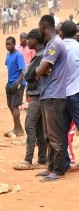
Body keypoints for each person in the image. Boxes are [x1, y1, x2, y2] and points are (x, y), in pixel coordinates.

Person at [35, 15, 68, 182]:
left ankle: (59, 170)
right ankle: (50, 166)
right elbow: (43, 69)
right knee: (48, 134)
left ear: (42, 26)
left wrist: (39, 70)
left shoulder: (55, 44)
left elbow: (40, 70)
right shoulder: (51, 43)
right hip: (48, 93)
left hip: (54, 94)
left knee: (55, 135)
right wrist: (42, 69)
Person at [13, 29, 47, 170]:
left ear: (34, 40)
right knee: (39, 128)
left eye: (29, 39)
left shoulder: (39, 55)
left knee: (30, 125)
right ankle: (42, 160)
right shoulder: (41, 54)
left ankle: (28, 159)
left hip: (37, 95)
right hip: (39, 95)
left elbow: (27, 75)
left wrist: (28, 72)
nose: (27, 42)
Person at [58, 20, 79, 173]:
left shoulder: (58, 47)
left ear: (62, 33)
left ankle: (64, 163)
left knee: (62, 130)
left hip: (60, 95)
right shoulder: (78, 48)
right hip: (76, 93)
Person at [4, 36, 26, 137]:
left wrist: (17, 83)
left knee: (15, 106)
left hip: (18, 83)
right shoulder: (8, 54)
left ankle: (16, 129)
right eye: (6, 45)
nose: (8, 46)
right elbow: (9, 68)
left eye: (9, 44)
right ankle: (19, 127)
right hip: (10, 83)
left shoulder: (18, 55)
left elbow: (23, 71)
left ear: (14, 44)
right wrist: (9, 83)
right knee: (10, 105)